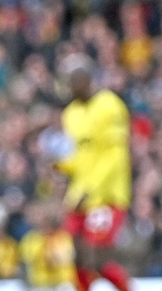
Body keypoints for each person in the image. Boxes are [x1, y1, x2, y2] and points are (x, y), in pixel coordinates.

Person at [55, 55, 132, 291]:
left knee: (98, 258)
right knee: (75, 258)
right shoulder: (71, 113)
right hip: (79, 196)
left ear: (84, 79)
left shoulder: (110, 106)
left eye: (71, 81)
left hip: (106, 195)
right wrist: (61, 166)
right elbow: (80, 155)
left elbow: (116, 155)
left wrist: (91, 189)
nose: (68, 87)